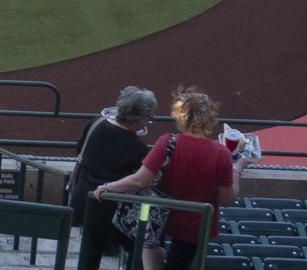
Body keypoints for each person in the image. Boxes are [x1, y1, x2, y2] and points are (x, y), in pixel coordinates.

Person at [93, 89, 242, 270]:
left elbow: (139, 181)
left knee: (149, 247)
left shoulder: (167, 142)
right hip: (196, 226)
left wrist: (107, 187)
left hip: (161, 219)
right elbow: (226, 200)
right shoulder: (222, 153)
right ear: (210, 118)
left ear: (181, 116)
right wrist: (237, 168)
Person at [68, 87, 155, 270]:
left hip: (84, 199)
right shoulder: (137, 147)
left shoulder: (96, 124)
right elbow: (138, 181)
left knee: (90, 252)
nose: (148, 121)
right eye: (149, 117)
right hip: (112, 208)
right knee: (138, 246)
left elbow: (79, 150)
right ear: (138, 117)